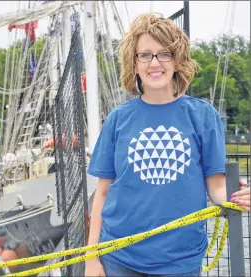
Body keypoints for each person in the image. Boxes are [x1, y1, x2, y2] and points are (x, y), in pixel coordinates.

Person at [85, 13, 250, 277]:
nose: (155, 63)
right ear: (134, 62)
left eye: (164, 54)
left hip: (180, 260)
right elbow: (102, 193)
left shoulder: (203, 116)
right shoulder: (118, 119)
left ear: (177, 60)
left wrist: (237, 197)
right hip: (118, 257)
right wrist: (91, 260)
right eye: (145, 55)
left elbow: (216, 186)